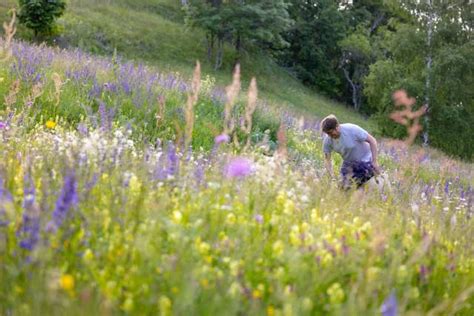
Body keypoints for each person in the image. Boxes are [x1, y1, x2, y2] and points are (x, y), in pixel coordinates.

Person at [321, 115, 380, 189]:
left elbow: (372, 140)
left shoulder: (352, 129)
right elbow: (327, 159)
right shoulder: (328, 140)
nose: (330, 136)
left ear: (337, 127)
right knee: (342, 187)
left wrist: (374, 161)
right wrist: (331, 176)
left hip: (366, 159)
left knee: (358, 180)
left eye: (330, 132)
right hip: (349, 163)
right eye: (327, 134)